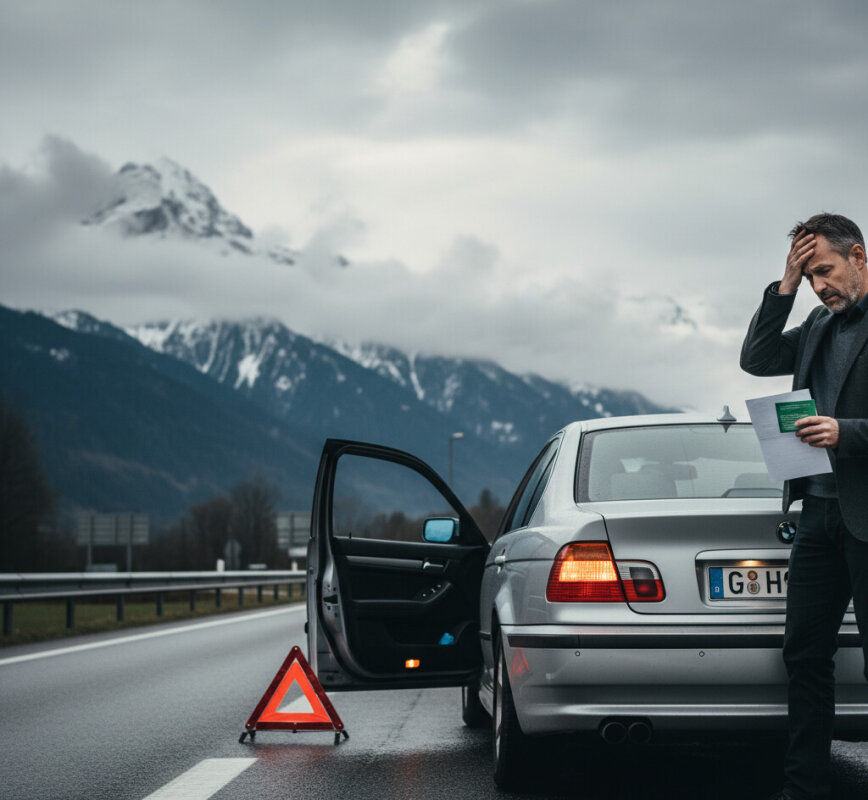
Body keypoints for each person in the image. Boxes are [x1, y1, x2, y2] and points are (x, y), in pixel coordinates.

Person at [741, 213, 868, 799]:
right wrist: (783, 289)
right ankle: (804, 790)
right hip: (817, 517)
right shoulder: (816, 321)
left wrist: (848, 432)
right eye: (809, 275)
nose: (820, 285)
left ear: (859, 257)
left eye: (824, 271)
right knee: (805, 656)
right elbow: (758, 357)